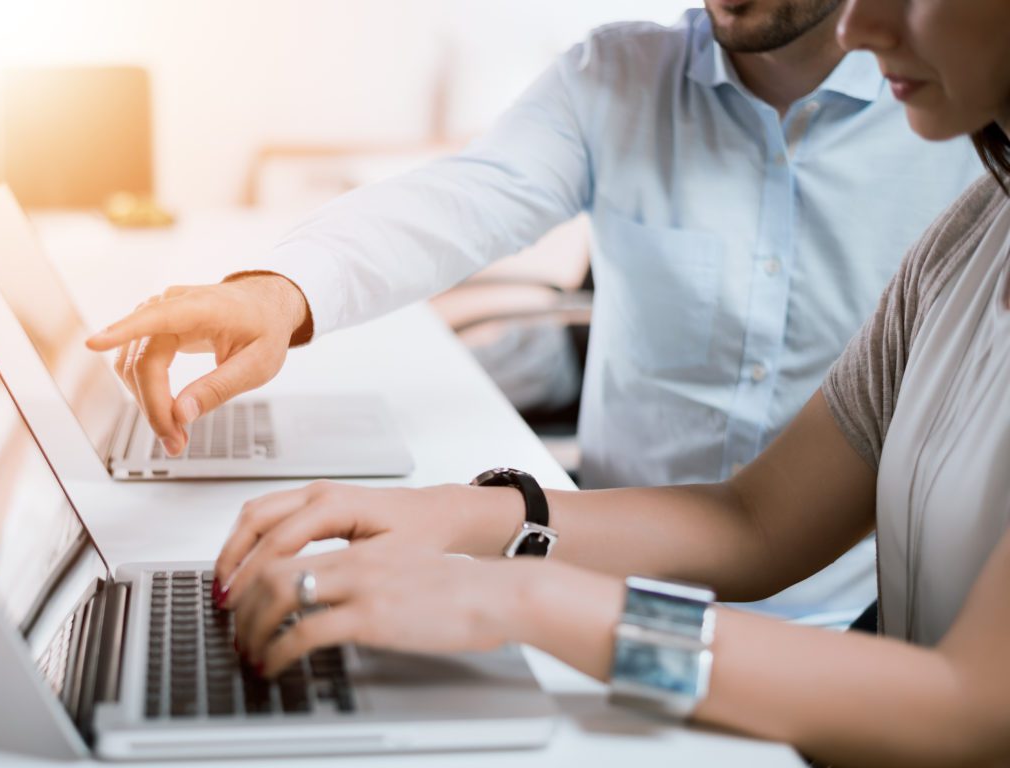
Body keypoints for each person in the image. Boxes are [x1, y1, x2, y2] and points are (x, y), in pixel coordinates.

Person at [206, 0, 1010, 768]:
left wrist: (526, 598)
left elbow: (972, 733)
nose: (859, 25)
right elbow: (754, 520)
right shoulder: (966, 242)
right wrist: (468, 515)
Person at [87, 0, 984, 627]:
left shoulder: (956, 138)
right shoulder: (617, 74)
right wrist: (278, 294)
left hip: (841, 616)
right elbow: (464, 198)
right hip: (609, 575)